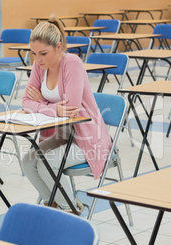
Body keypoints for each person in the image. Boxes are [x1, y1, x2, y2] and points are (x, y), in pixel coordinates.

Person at [21, 15, 112, 213]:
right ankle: (54, 205)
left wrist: (42, 103)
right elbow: (25, 101)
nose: (37, 59)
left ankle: (69, 211)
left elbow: (70, 109)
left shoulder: (72, 63)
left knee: (46, 165)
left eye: (43, 53)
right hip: (63, 135)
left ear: (58, 47)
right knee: (28, 161)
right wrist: (51, 108)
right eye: (34, 54)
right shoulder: (39, 66)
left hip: (88, 138)